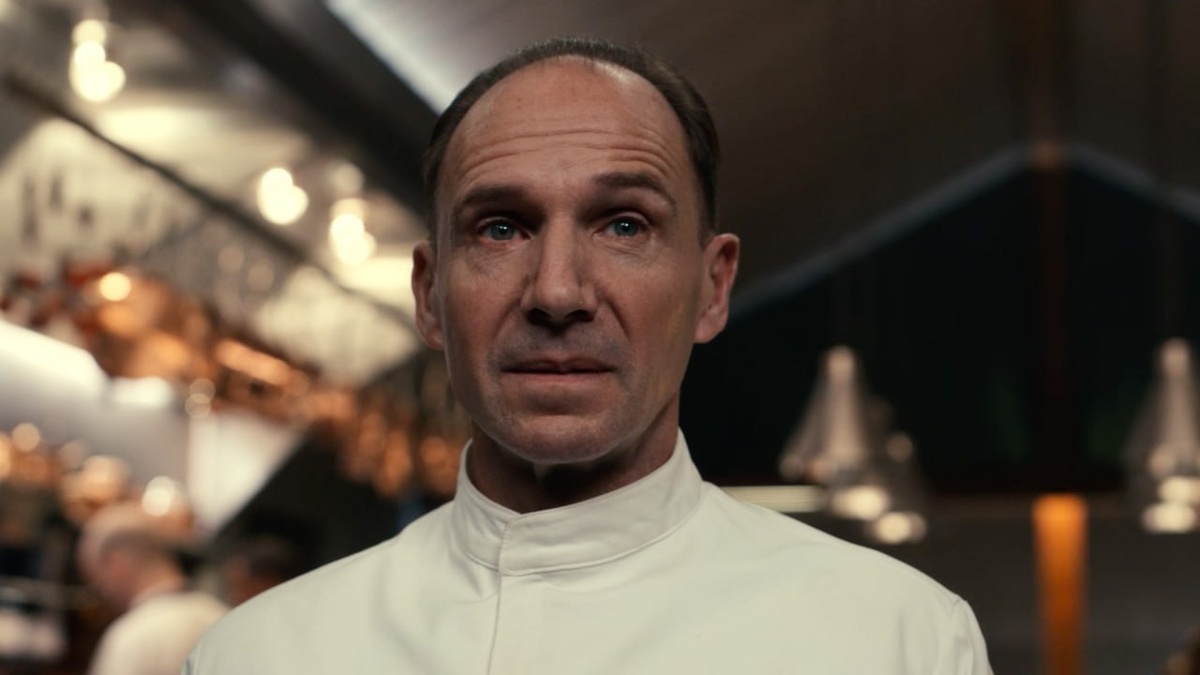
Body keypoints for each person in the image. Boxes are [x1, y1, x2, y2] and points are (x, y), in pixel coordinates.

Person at [185, 37, 992, 673]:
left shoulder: (898, 641)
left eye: (624, 225)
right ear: (429, 295)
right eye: (501, 227)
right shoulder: (258, 656)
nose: (558, 290)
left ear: (712, 289)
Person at [77, 503, 225, 675]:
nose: (102, 593)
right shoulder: (220, 616)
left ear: (115, 564)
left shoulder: (132, 638)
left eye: (97, 580)